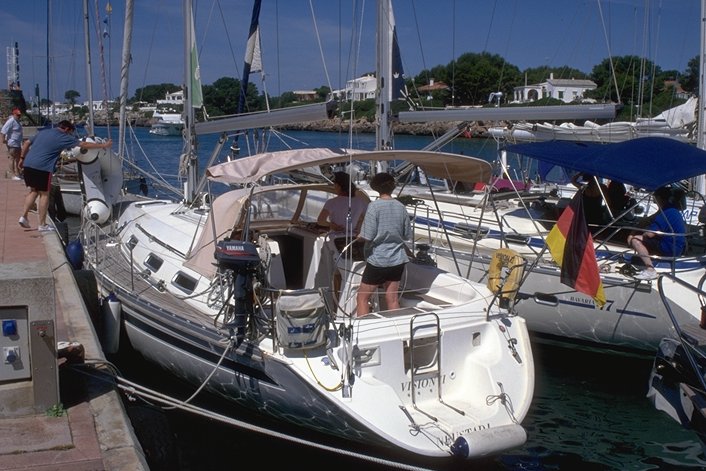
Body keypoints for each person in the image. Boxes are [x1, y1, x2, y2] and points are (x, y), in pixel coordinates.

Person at [18, 120, 112, 232]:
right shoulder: (64, 137)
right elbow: (83, 144)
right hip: (43, 168)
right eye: (71, 132)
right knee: (44, 195)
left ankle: (23, 217)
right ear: (67, 129)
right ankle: (42, 225)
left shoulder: (43, 132)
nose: (71, 135)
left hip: (28, 164)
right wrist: (103, 145)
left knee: (33, 191)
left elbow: (27, 143)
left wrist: (22, 158)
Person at [355, 172, 411, 317]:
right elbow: (406, 235)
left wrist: (358, 237)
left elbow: (368, 236)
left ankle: (364, 333)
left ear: (375, 187)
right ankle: (398, 332)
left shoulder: (374, 207)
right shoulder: (401, 207)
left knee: (362, 298)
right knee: (392, 298)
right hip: (397, 259)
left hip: (378, 260)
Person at [627, 185, 686, 281]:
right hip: (678, 246)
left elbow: (650, 234)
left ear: (658, 198)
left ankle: (650, 270)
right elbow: (648, 220)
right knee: (643, 239)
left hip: (670, 248)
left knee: (636, 240)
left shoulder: (665, 212)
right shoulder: (670, 209)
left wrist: (635, 236)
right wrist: (634, 231)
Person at [1, 107, 24, 180]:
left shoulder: (17, 121)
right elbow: (3, 131)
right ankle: (13, 174)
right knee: (12, 158)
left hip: (18, 143)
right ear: (14, 114)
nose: (19, 116)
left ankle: (17, 173)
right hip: (12, 142)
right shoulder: (11, 121)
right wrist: (3, 140)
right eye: (17, 115)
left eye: (19, 115)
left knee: (18, 158)